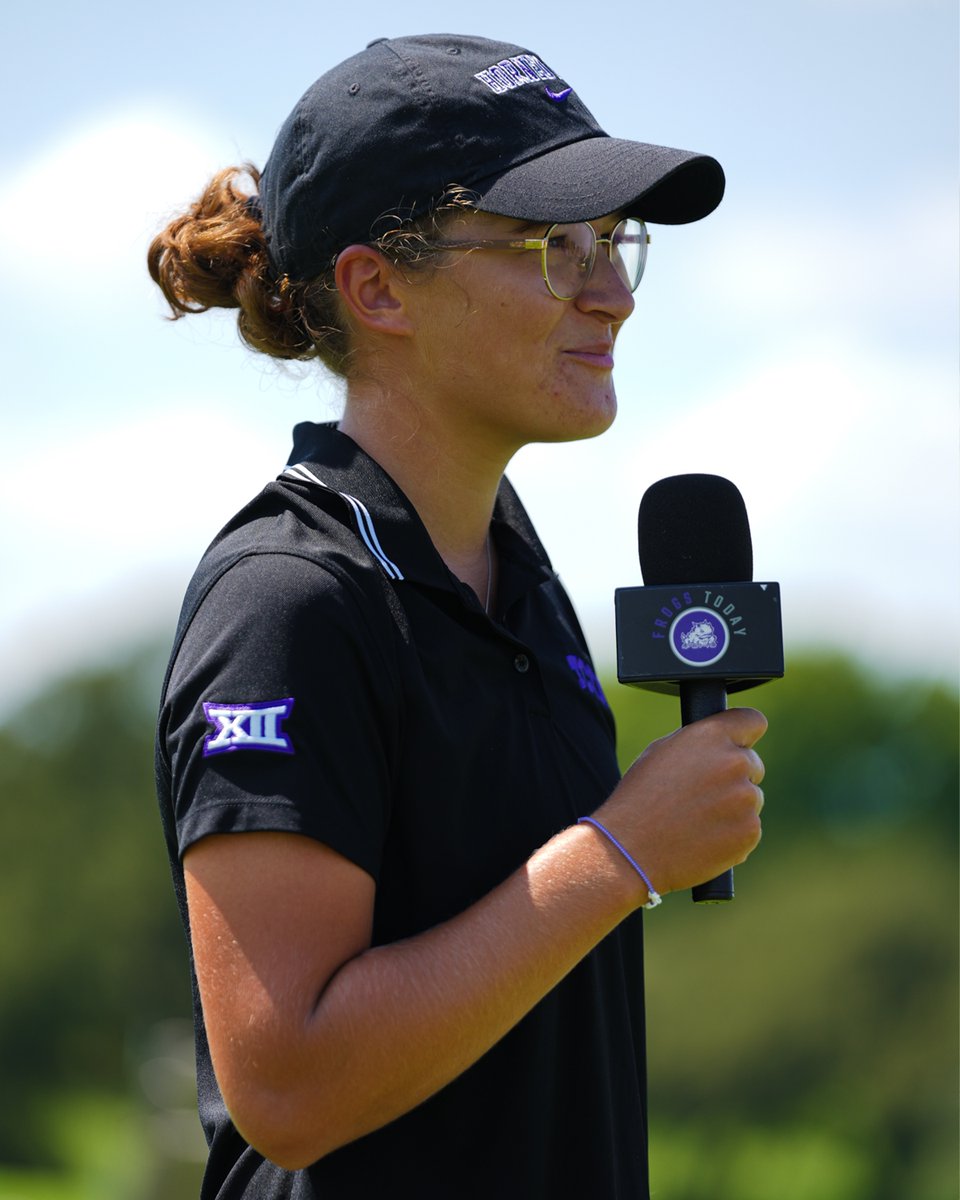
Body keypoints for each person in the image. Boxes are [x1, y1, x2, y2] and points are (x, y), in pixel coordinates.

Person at [149, 32, 766, 1200]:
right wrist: (623, 850)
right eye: (552, 248)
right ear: (377, 287)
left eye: (612, 242)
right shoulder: (288, 599)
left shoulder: (518, 574)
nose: (616, 294)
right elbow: (285, 1092)